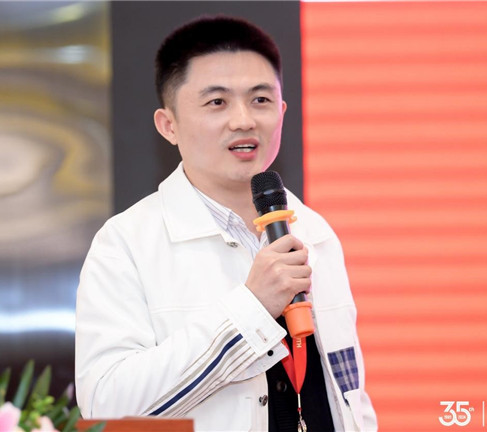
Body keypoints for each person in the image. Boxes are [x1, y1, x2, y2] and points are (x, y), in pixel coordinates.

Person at [75, 15, 378, 432]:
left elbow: (350, 393)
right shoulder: (126, 243)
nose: (244, 120)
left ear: (282, 112)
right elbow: (106, 406)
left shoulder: (315, 231)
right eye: (217, 102)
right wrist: (251, 308)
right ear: (169, 125)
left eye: (260, 100)